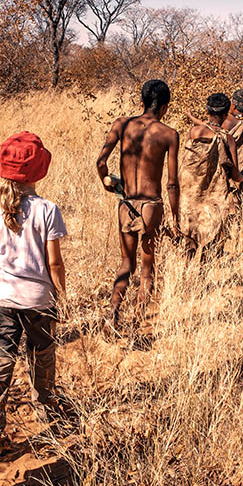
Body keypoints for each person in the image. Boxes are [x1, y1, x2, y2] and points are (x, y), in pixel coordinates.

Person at [0, 131, 67, 469]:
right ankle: (49, 417)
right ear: (39, 170)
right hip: (39, 299)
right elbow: (54, 262)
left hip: (2, 298)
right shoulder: (48, 210)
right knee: (41, 358)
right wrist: (62, 297)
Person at [96, 79, 179, 326]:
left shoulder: (122, 125)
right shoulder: (169, 134)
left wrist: (107, 183)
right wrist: (175, 219)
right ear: (165, 107)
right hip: (152, 205)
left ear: (141, 102)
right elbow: (172, 183)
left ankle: (113, 312)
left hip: (127, 203)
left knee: (126, 263)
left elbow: (101, 162)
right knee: (147, 269)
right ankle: (137, 322)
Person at [179, 93, 243, 258]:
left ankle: (185, 275)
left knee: (189, 237)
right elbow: (235, 174)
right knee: (212, 237)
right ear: (225, 114)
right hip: (213, 197)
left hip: (189, 193)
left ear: (207, 111)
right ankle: (203, 273)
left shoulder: (193, 132)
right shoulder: (227, 138)